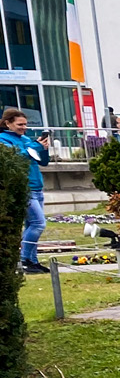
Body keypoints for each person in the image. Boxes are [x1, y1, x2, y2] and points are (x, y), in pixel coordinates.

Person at [0, 108, 50, 274]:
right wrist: (34, 146)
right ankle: (24, 260)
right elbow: (13, 158)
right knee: (38, 223)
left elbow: (43, 162)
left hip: (37, 187)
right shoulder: (3, 140)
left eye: (25, 124)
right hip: (23, 188)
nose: (24, 127)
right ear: (8, 123)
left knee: (32, 224)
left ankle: (33, 261)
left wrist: (43, 148)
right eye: (20, 124)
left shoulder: (26, 138)